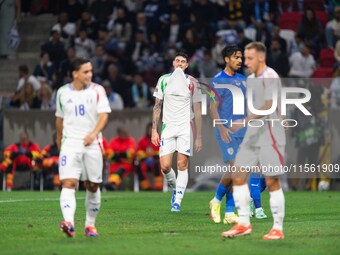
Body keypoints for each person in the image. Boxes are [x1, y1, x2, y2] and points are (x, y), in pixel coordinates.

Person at [221, 42, 286, 240]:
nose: (245, 62)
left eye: (249, 58)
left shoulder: (270, 76)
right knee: (238, 176)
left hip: (271, 133)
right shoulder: (250, 80)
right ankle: (243, 223)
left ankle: (277, 228)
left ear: (260, 58)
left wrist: (245, 121)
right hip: (254, 133)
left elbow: (269, 104)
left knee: (271, 180)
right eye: (243, 58)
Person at [209, 45, 267, 225]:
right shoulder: (218, 80)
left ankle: (228, 213)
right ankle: (216, 200)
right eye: (236, 57)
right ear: (226, 59)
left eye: (241, 57)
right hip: (225, 131)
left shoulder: (244, 80)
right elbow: (212, 107)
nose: (240, 61)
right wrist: (221, 128)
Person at [55, 57, 111, 238]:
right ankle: (69, 223)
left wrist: (93, 134)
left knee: (92, 185)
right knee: (69, 183)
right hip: (70, 143)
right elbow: (59, 118)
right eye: (86, 71)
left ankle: (90, 225)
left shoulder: (97, 90)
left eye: (91, 71)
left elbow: (103, 116)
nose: (90, 74)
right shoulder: (62, 92)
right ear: (75, 74)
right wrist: (59, 139)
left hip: (92, 143)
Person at [151, 51, 202, 212]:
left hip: (186, 126)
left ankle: (177, 201)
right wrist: (154, 130)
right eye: (177, 61)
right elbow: (157, 106)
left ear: (186, 65)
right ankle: (175, 189)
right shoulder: (164, 80)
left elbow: (198, 110)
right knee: (165, 167)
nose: (180, 63)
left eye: (183, 62)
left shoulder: (193, 82)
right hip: (168, 126)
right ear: (173, 63)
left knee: (182, 164)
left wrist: (199, 136)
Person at [135, 122, 162, 191]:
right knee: (138, 166)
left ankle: (158, 187)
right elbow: (138, 151)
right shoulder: (142, 140)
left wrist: (153, 155)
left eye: (153, 130)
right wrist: (145, 156)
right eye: (150, 129)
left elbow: (162, 151)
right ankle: (146, 187)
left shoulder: (160, 139)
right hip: (145, 162)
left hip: (157, 161)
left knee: (156, 164)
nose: (151, 131)